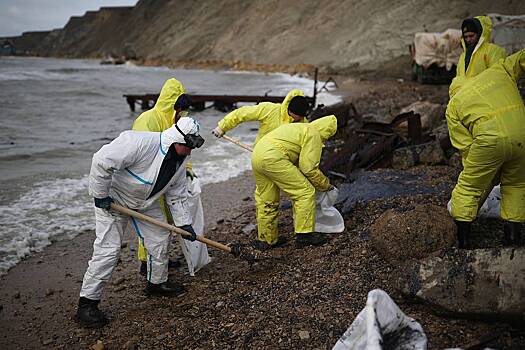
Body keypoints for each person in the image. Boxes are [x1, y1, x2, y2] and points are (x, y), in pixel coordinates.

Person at [76, 117, 205, 328]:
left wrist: (183, 224)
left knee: (160, 239)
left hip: (146, 203)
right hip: (114, 201)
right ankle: (87, 303)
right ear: (175, 141)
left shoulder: (179, 162)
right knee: (107, 251)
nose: (190, 152)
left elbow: (176, 194)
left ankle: (156, 284)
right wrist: (100, 195)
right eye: (187, 147)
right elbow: (101, 160)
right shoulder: (138, 142)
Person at [446, 49, 525, 249]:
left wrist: (484, 173)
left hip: (490, 139)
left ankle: (463, 241)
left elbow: (465, 146)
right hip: (522, 134)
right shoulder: (499, 70)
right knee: (516, 185)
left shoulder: (454, 104)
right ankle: (513, 240)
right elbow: (520, 59)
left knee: (469, 186)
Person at [132, 78, 207, 276]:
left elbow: (180, 149)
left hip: (165, 179)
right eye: (179, 108)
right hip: (147, 182)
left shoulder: (174, 121)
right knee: (151, 223)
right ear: (170, 103)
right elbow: (142, 155)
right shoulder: (148, 121)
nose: (182, 112)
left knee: (166, 219)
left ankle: (158, 259)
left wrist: (187, 171)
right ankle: (145, 261)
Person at [251, 115, 339, 249]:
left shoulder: (299, 128)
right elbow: (308, 169)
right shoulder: (313, 134)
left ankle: (267, 239)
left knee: (266, 199)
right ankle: (304, 235)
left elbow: (296, 158)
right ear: (327, 132)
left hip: (258, 154)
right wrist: (325, 185)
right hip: (273, 158)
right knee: (305, 192)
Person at [211, 89, 309, 145]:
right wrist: (222, 127)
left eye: (302, 117)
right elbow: (242, 113)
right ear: (290, 110)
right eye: (298, 116)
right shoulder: (269, 109)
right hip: (261, 155)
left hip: (285, 162)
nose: (300, 119)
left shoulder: (304, 124)